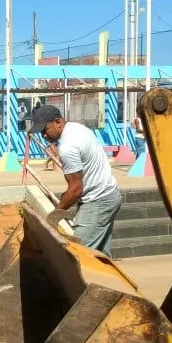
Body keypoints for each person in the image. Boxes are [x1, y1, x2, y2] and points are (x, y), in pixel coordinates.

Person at [31, 105, 122, 257]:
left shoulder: (67, 147)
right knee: (100, 257)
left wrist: (55, 214)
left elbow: (75, 189)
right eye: (40, 132)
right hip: (109, 195)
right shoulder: (76, 128)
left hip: (97, 202)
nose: (43, 135)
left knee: (76, 256)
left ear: (58, 122)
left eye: (45, 130)